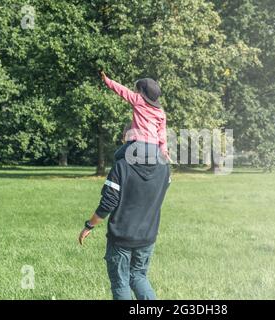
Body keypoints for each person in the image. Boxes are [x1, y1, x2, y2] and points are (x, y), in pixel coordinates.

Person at [78, 124, 171, 300]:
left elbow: (108, 202)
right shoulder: (164, 166)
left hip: (121, 237)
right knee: (139, 277)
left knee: (121, 283)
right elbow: (165, 186)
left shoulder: (121, 166)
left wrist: (89, 226)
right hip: (147, 236)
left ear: (127, 140)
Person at [99, 71, 172, 163]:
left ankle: (124, 176)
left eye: (136, 90)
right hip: (154, 146)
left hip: (139, 143)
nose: (134, 92)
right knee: (155, 163)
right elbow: (162, 133)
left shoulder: (139, 100)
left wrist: (107, 80)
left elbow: (122, 90)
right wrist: (164, 150)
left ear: (142, 92)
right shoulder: (161, 112)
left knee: (118, 156)